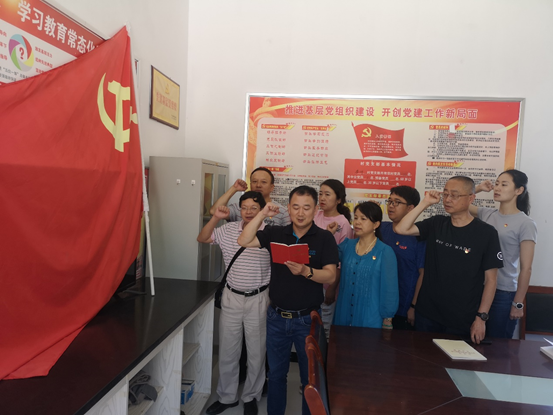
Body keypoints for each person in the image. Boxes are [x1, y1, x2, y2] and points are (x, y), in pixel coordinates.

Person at [238, 185, 339, 415]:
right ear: (289, 208)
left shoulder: (324, 238)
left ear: (315, 209)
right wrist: (262, 214)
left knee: (309, 380)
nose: (300, 213)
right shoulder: (275, 233)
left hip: (307, 320)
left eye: (306, 207)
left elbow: (331, 275)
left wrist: (306, 271)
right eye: (295, 207)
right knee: (276, 375)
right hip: (276, 317)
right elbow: (244, 240)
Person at [395, 176, 503, 344]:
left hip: (462, 317)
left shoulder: (486, 233)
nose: (447, 199)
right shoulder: (437, 223)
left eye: (454, 195)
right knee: (422, 358)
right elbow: (401, 229)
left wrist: (481, 318)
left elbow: (491, 280)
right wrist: (425, 203)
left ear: (471, 198)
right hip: (427, 314)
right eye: (445, 194)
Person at [198, 192, 270, 415]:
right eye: (244, 207)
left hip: (258, 298)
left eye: (254, 208)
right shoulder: (228, 229)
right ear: (239, 209)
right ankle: (227, 396)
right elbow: (203, 238)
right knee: (228, 350)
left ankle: (251, 396)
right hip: (231, 297)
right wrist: (215, 218)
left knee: (257, 352)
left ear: (262, 209)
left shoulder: (270, 233)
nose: (248, 212)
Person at [470, 170, 537, 339]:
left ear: (519, 190)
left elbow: (526, 268)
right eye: (497, 183)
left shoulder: (526, 223)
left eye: (504, 184)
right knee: (474, 340)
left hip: (503, 293)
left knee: (498, 346)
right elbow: (461, 201)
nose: (497, 188)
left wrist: (518, 303)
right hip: (479, 288)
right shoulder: (487, 214)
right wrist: (478, 188)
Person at [333, 201, 399, 329]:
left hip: (370, 318)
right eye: (356, 218)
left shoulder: (385, 252)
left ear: (376, 224)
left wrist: (387, 319)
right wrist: (328, 234)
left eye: (363, 219)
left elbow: (390, 290)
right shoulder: (347, 246)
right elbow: (326, 257)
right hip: (343, 314)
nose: (357, 222)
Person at [380, 186, 426, 330]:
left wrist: (414, 306)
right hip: (378, 302)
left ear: (410, 208)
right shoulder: (381, 228)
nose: (391, 206)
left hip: (403, 307)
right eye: (390, 201)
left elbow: (423, 274)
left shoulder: (418, 236)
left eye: (397, 202)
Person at [314, 179, 354, 338]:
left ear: (338, 199)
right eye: (320, 194)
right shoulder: (315, 215)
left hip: (327, 284)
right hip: (310, 279)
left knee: (325, 328)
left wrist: (331, 288)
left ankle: (323, 354)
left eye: (327, 194)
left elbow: (342, 261)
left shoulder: (343, 223)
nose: (322, 198)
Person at [210, 166, 290, 226]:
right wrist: (234, 188)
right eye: (254, 181)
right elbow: (214, 211)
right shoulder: (239, 207)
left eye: (263, 182)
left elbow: (288, 237)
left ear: (272, 187)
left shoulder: (281, 211)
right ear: (250, 184)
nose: (258, 185)